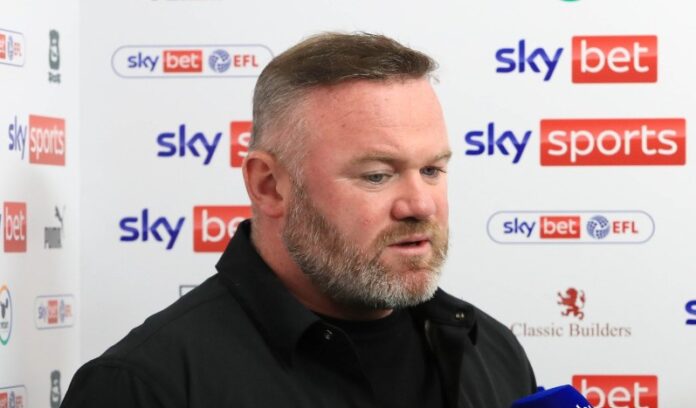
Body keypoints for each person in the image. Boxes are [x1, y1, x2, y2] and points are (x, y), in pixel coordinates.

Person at [61, 32, 536, 408]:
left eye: (431, 170)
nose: (420, 205)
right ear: (268, 185)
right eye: (377, 175)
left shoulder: (489, 349)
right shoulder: (146, 387)